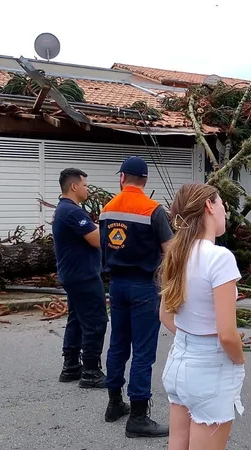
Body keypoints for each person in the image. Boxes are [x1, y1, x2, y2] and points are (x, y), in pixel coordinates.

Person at [158, 183, 246, 450]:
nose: (225, 212)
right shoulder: (220, 258)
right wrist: (239, 359)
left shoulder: (177, 253)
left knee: (178, 444)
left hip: (178, 363)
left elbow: (164, 315)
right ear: (209, 206)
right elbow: (227, 334)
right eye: (222, 205)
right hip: (210, 368)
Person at [100, 156, 172, 438]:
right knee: (143, 351)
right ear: (144, 180)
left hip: (116, 285)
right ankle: (139, 416)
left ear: (122, 178)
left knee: (118, 344)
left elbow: (103, 247)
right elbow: (170, 250)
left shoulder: (107, 209)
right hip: (144, 286)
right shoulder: (153, 210)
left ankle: (114, 403)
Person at [51, 168, 108, 389]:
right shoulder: (72, 212)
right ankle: (91, 371)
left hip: (74, 274)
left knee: (76, 320)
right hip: (83, 276)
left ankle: (71, 366)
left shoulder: (65, 210)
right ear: (74, 186)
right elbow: (97, 240)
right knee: (96, 322)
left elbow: (90, 231)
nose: (87, 188)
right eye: (84, 184)